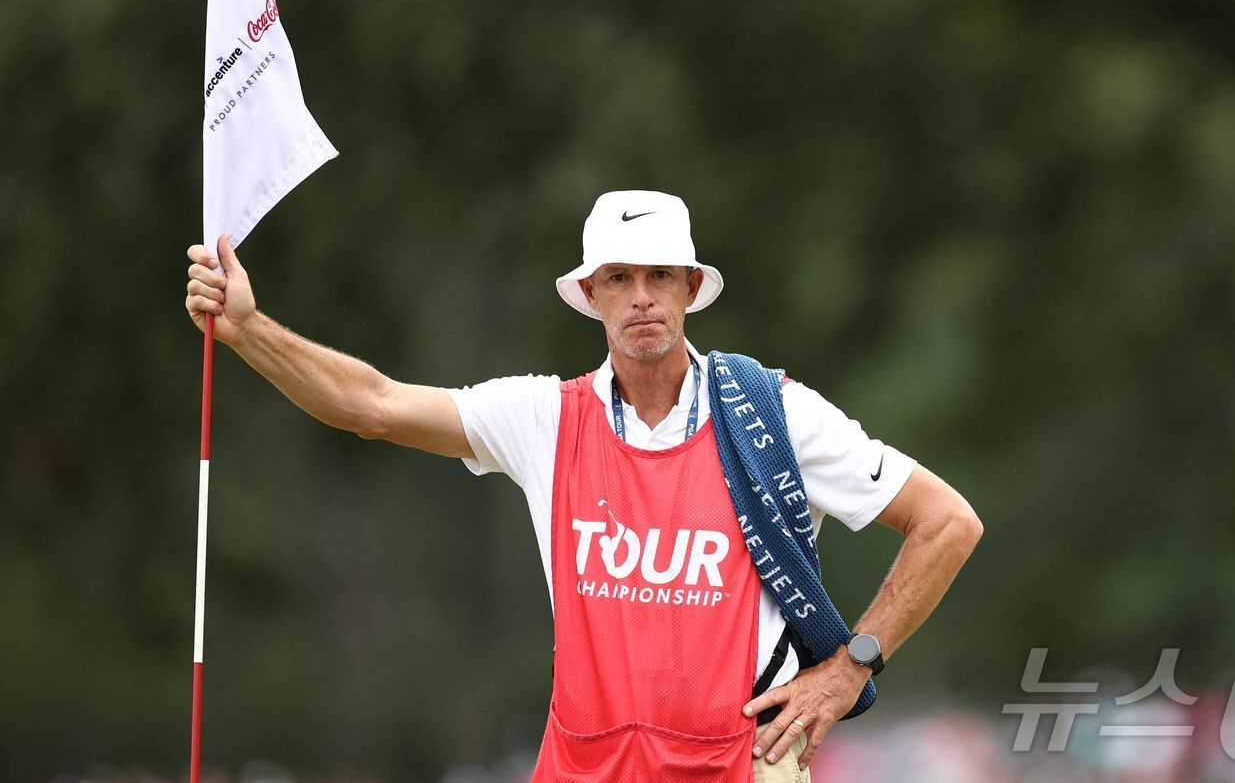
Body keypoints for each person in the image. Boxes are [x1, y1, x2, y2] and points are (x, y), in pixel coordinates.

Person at [183, 189, 983, 782]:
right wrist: (249, 329)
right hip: (583, 767)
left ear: (691, 287)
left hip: (741, 766)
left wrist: (851, 666)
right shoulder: (546, 417)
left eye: (661, 275)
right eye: (621, 276)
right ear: (590, 293)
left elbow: (947, 521)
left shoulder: (774, 413)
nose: (642, 296)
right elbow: (374, 406)